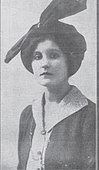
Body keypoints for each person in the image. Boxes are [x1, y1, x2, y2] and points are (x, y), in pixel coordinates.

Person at [5, 0, 96, 170]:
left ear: (69, 60)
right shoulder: (28, 114)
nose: (44, 63)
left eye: (53, 55)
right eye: (37, 56)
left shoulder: (90, 116)